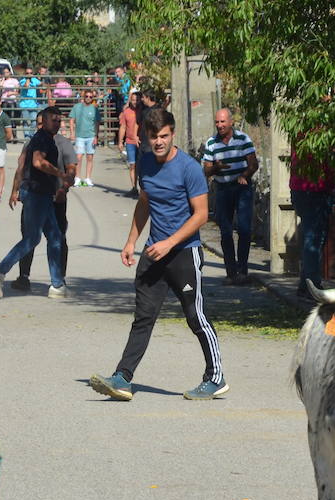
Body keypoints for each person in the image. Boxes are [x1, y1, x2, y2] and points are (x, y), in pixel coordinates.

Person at [89, 109, 227, 402]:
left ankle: (215, 377)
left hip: (184, 253)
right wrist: (130, 242)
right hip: (154, 252)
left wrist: (170, 242)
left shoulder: (190, 168)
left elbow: (201, 215)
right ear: (145, 138)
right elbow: (144, 203)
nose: (159, 142)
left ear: (172, 133)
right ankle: (123, 377)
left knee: (195, 316)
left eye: (164, 136)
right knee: (143, 317)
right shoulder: (145, 163)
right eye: (154, 137)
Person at [0, 106, 69, 299]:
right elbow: (38, 162)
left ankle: (57, 285)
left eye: (59, 120)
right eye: (53, 120)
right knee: (32, 238)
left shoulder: (45, 139)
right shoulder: (41, 139)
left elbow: (24, 163)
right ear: (44, 120)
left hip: (43, 194)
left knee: (55, 236)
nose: (56, 124)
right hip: (35, 193)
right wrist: (60, 174)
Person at [7, 111, 77, 291]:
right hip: (34, 195)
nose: (40, 127)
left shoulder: (63, 143)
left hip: (56, 198)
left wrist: (64, 187)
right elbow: (21, 166)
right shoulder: (32, 143)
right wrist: (15, 190)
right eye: (38, 124)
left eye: (43, 123)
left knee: (58, 238)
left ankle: (59, 278)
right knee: (29, 236)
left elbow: (71, 169)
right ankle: (23, 276)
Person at [201, 107, 259, 284]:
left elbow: (253, 164)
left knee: (244, 229)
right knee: (225, 231)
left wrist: (244, 175)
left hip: (242, 188)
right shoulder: (211, 143)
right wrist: (216, 168)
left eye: (223, 122)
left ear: (231, 122)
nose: (220, 125)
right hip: (222, 188)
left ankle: (242, 270)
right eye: (217, 122)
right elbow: (207, 170)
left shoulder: (243, 139)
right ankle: (230, 272)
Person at [290, 132, 335, 296]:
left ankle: (305, 283)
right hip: (312, 188)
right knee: (314, 238)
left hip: (307, 188)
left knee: (314, 236)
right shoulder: (318, 128)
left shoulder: (302, 126)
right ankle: (311, 286)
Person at [67, 88, 100, 187]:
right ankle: (77, 178)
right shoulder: (77, 107)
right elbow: (72, 120)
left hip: (91, 136)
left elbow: (97, 123)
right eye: (87, 96)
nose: (88, 98)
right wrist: (72, 133)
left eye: (91, 97)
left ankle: (88, 178)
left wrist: (96, 136)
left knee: (90, 157)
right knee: (78, 157)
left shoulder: (95, 108)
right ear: (83, 97)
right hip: (79, 136)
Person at [117, 90, 141, 196]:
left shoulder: (143, 111)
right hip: (130, 141)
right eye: (133, 100)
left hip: (141, 141)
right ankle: (134, 187)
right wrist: (120, 142)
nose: (135, 102)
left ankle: (144, 188)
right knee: (132, 165)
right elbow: (122, 127)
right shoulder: (126, 112)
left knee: (141, 165)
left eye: (137, 100)